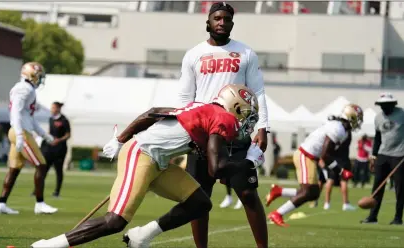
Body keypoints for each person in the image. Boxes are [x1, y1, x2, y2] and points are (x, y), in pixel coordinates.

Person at [30, 84, 265, 248]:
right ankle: (50, 245)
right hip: (142, 154)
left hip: (158, 162)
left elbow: (153, 112)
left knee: (200, 203)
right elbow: (218, 169)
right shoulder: (224, 119)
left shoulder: (202, 108)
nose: (247, 120)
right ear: (233, 106)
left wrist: (120, 138)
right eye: (246, 113)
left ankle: (142, 236)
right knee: (115, 221)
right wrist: (250, 161)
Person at [177, 2, 269, 247]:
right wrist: (185, 130)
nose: (221, 23)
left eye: (226, 19)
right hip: (202, 135)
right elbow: (186, 98)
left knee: (248, 194)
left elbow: (257, 91)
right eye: (217, 18)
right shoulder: (194, 54)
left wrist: (263, 127)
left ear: (232, 24)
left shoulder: (246, 53)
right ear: (208, 22)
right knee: (198, 199)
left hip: (236, 134)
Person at [266, 104, 362, 227]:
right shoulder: (338, 129)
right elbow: (326, 155)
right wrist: (340, 171)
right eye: (357, 118)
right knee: (307, 192)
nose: (358, 122)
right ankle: (277, 213)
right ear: (351, 117)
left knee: (314, 193)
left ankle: (279, 191)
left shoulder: (339, 128)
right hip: (305, 156)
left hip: (308, 157)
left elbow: (326, 154)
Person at [0, 62, 58, 215]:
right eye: (38, 76)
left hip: (20, 129)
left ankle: (1, 203)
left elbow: (29, 117)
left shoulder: (28, 89)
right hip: (20, 131)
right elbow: (15, 110)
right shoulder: (23, 88)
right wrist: (20, 135)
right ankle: (40, 204)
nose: (40, 80)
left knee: (14, 169)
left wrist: (45, 135)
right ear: (31, 75)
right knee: (41, 164)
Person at [361, 93, 404, 225]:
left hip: (399, 155)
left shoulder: (402, 114)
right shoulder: (378, 118)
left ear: (393, 104)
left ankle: (397, 218)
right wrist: (374, 156)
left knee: (400, 188)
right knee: (377, 187)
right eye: (381, 105)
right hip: (383, 155)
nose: (384, 108)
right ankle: (372, 217)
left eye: (386, 105)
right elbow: (378, 137)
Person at [34, 102, 71, 198]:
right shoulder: (50, 119)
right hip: (49, 148)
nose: (52, 109)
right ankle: (37, 190)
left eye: (54, 107)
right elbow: (50, 132)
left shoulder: (64, 120)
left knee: (58, 171)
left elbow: (68, 134)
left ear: (58, 108)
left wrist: (59, 140)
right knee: (43, 169)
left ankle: (57, 192)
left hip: (60, 149)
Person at [323, 130, 356, 211]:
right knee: (343, 181)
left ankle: (327, 203)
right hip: (343, 160)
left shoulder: (334, 134)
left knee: (330, 180)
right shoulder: (348, 134)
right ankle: (345, 204)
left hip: (333, 160)